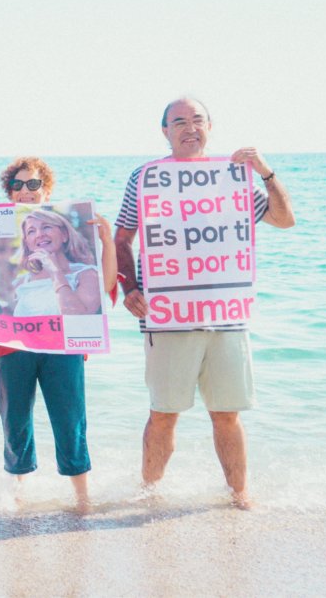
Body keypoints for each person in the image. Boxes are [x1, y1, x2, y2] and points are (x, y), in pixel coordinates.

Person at [114, 97, 295, 509]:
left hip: (227, 316)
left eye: (197, 120)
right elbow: (122, 238)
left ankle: (239, 496)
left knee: (227, 414)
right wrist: (129, 288)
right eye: (179, 121)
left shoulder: (233, 176)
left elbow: (285, 219)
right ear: (165, 131)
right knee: (163, 413)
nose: (189, 128)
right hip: (168, 316)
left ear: (210, 127)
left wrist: (266, 172)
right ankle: (149, 495)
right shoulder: (146, 177)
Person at [0, 156, 117, 511]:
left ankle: (82, 498)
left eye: (33, 184)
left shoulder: (81, 270)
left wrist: (106, 242)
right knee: (15, 423)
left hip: (64, 349)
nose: (25, 191)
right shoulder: (13, 270)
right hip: (10, 348)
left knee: (70, 421)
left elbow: (104, 289)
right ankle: (17, 497)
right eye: (17, 185)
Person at [11, 208, 102, 317]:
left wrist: (55, 272)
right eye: (31, 231)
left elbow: (76, 318)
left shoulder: (88, 275)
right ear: (28, 244)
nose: (39, 235)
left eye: (46, 227)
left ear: (64, 235)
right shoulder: (20, 283)